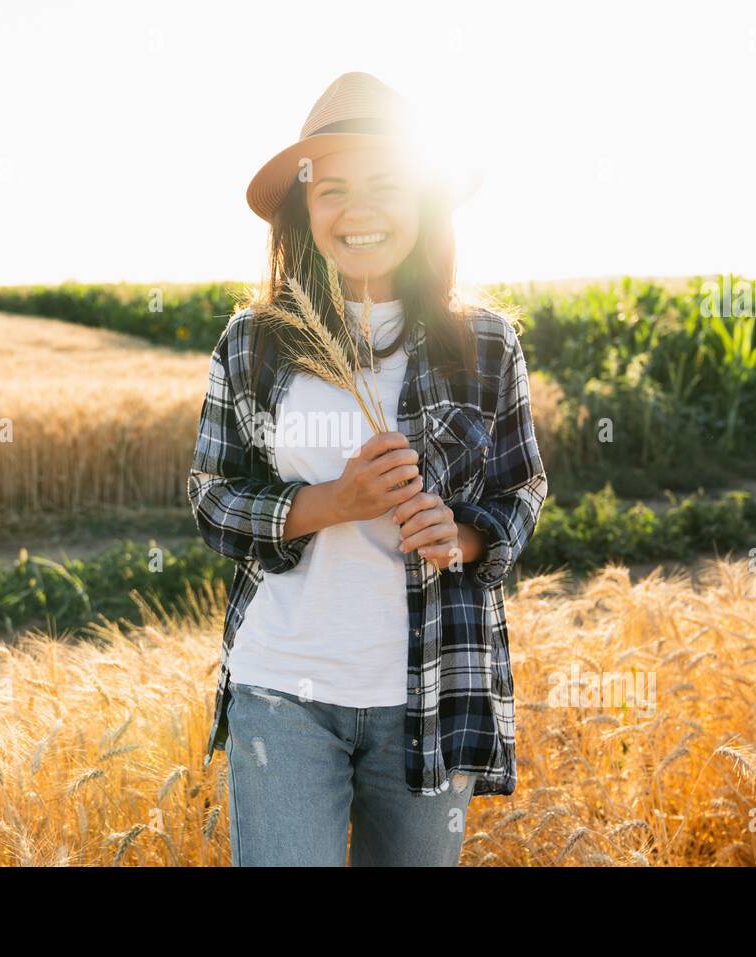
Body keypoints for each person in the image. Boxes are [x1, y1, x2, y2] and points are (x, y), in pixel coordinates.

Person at [187, 72, 548, 866]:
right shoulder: (255, 341)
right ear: (303, 211)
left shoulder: (486, 343)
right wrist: (334, 500)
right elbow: (211, 498)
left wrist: (463, 536)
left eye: (385, 185)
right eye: (333, 190)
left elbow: (522, 489)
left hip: (430, 690)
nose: (358, 211)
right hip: (283, 690)